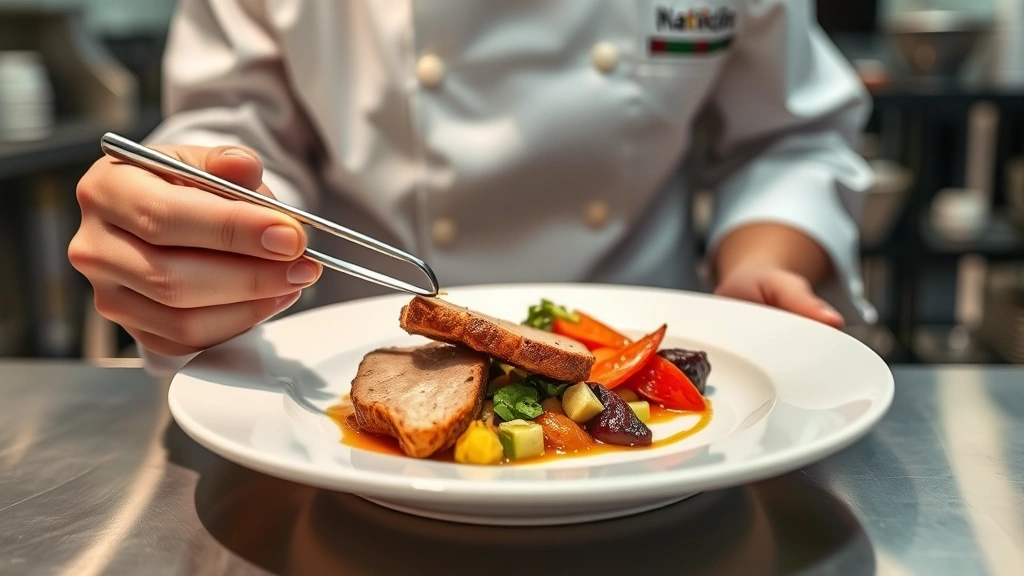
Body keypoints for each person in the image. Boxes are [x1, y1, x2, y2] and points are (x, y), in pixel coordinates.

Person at [69, 0, 875, 375]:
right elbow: (233, 138)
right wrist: (199, 227)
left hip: (650, 356)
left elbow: (792, 136)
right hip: (340, 354)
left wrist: (767, 261)